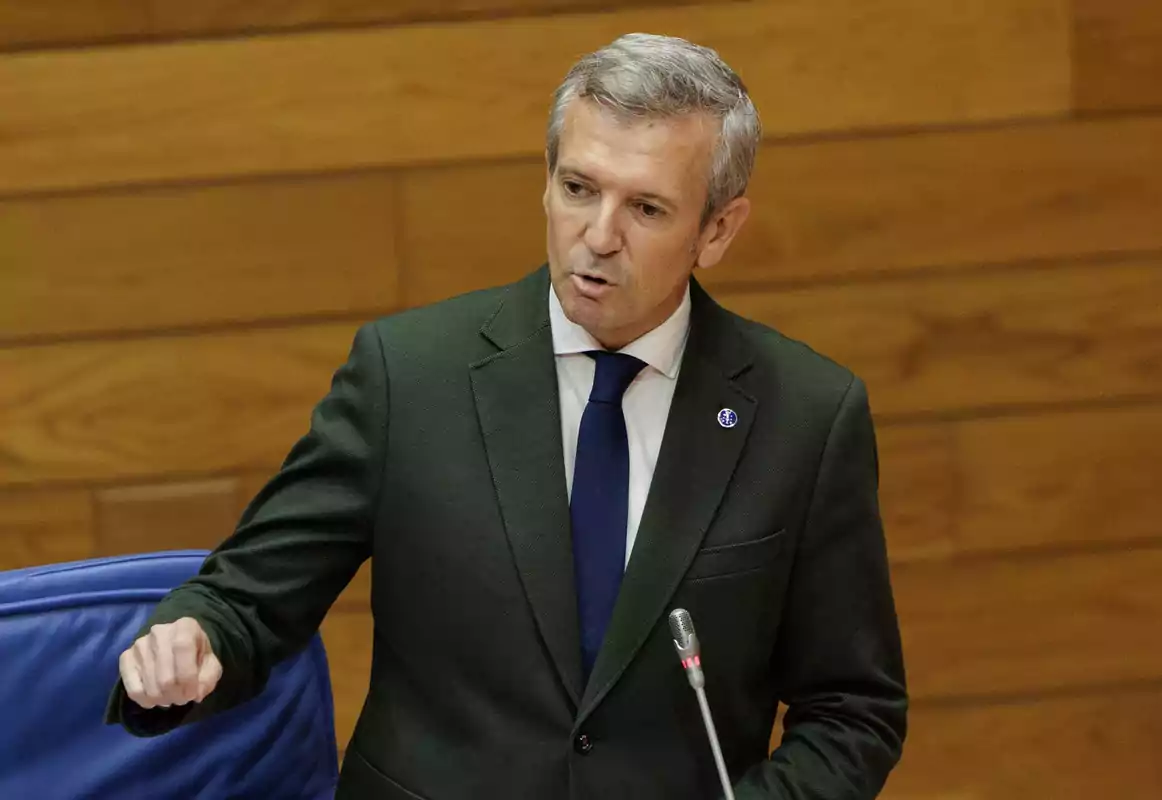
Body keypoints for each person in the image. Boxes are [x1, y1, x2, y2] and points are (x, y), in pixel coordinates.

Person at [107, 33, 907, 799]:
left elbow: (851, 709)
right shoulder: (408, 377)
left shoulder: (804, 416)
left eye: (649, 210)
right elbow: (248, 596)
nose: (598, 237)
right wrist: (195, 638)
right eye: (578, 188)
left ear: (719, 229)